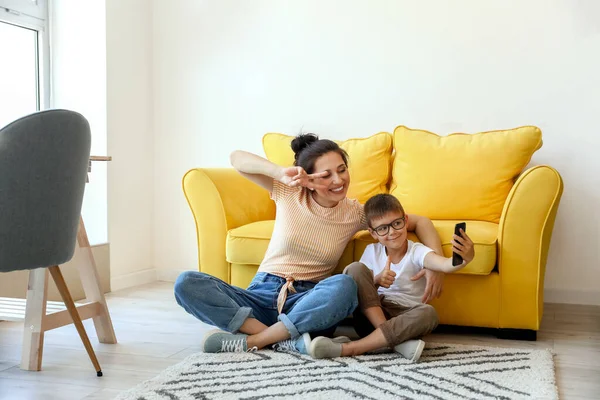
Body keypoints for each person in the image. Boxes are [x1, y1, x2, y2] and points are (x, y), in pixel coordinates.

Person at [173, 133, 445, 354]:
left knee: (345, 284)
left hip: (310, 302)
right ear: (309, 179)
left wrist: (435, 265)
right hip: (262, 294)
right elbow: (237, 159)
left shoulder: (354, 213)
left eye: (342, 170)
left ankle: (255, 341)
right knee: (186, 282)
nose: (338, 181)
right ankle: (281, 340)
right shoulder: (288, 192)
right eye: (326, 176)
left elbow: (419, 222)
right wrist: (280, 173)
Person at [309, 194, 474, 362]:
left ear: (406, 220)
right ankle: (394, 342)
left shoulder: (417, 251)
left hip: (405, 317)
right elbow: (358, 285)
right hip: (372, 315)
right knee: (354, 268)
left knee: (429, 313)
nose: (392, 232)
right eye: (383, 228)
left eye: (397, 223)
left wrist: (465, 258)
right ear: (373, 233)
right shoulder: (372, 251)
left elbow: (444, 264)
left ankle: (351, 348)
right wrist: (377, 279)